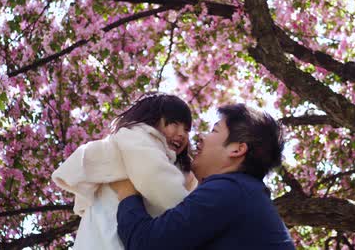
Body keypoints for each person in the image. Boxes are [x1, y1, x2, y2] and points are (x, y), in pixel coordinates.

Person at [112, 103, 296, 250]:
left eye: (214, 130)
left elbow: (146, 244)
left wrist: (126, 191)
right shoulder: (244, 193)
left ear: (237, 149)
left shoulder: (229, 191)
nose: (200, 137)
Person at [52, 93, 198, 250]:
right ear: (151, 119)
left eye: (186, 129)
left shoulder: (157, 155)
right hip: (109, 236)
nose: (182, 134)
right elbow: (156, 180)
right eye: (174, 123)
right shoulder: (137, 137)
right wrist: (192, 217)